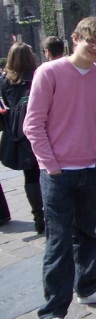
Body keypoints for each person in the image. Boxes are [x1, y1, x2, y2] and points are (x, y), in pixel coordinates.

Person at [23, 17, 96, 319]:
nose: (94, 48)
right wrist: (51, 166)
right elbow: (33, 125)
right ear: (75, 38)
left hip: (90, 171)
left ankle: (88, 286)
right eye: (89, 41)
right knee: (58, 243)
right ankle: (53, 312)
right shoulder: (49, 73)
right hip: (57, 173)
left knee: (87, 234)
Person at [0, 42, 44, 233]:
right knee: (46, 172)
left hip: (18, 135)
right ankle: (52, 212)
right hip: (40, 130)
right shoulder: (38, 76)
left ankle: (38, 216)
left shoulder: (5, 80)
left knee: (30, 175)